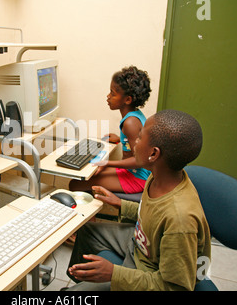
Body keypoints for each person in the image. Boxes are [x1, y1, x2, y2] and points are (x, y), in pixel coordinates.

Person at [65, 109, 211, 291]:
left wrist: (113, 273)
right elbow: (153, 215)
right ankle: (82, 278)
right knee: (87, 230)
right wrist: (121, 205)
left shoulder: (180, 220)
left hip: (150, 271)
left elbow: (175, 288)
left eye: (140, 138)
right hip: (142, 244)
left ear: (153, 154)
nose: (134, 145)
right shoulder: (159, 175)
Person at [69, 66, 151, 194]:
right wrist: (120, 139)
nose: (108, 96)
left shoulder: (130, 123)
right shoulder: (134, 115)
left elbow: (140, 160)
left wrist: (107, 163)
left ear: (128, 99)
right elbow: (138, 141)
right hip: (133, 172)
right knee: (89, 174)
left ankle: (90, 213)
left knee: (75, 184)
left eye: (113, 93)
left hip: (138, 177)